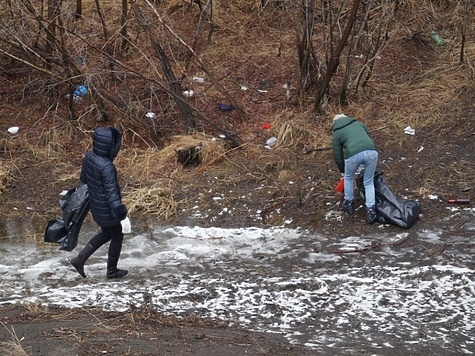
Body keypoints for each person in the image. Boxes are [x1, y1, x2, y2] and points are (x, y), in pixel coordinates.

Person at [70, 127, 129, 279]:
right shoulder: (107, 167)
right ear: (109, 146)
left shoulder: (89, 156)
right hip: (108, 209)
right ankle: (111, 271)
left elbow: (84, 179)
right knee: (117, 236)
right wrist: (120, 211)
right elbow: (111, 193)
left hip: (96, 206)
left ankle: (80, 259)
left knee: (107, 233)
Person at [332, 114, 379, 224]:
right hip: (372, 151)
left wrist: (342, 170)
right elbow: (368, 138)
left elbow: (337, 154)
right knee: (369, 181)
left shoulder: (337, 132)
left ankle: (349, 204)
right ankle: (371, 211)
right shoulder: (359, 124)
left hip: (353, 154)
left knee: (348, 178)